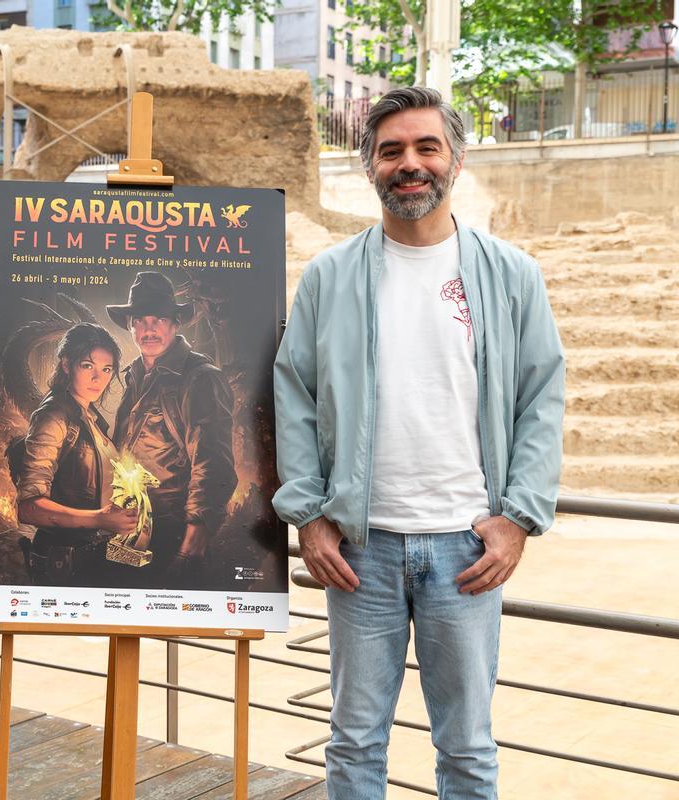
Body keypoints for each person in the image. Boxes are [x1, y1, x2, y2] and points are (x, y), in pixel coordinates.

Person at [273, 87, 565, 799]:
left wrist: (519, 518)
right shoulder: (330, 277)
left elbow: (541, 398)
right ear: (370, 165)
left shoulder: (511, 275)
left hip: (465, 549)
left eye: (426, 147)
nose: (410, 164)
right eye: (392, 150)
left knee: (465, 746)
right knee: (353, 739)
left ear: (455, 160)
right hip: (358, 548)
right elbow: (295, 397)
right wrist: (310, 516)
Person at [107, 271, 235, 586]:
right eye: (141, 320)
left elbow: (213, 465)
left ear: (175, 323)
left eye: (159, 319)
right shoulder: (134, 376)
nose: (149, 329)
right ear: (130, 325)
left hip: (175, 536)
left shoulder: (199, 377)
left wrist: (190, 547)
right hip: (134, 531)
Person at [14, 323, 138, 586]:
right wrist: (100, 519)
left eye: (106, 369)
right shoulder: (54, 417)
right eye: (87, 366)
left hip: (92, 559)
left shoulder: (92, 419)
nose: (98, 378)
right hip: (63, 562)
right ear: (66, 364)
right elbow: (28, 508)